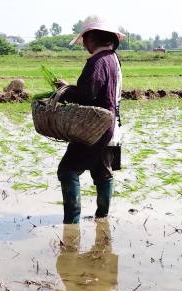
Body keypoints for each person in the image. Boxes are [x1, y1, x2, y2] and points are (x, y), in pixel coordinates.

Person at [55, 19, 124, 224]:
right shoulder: (113, 58)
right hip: (110, 124)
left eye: (85, 38)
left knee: (67, 170)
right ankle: (102, 218)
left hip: (93, 126)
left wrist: (65, 90)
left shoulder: (98, 61)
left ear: (92, 37)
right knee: (102, 171)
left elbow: (87, 95)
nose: (84, 43)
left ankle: (71, 223)